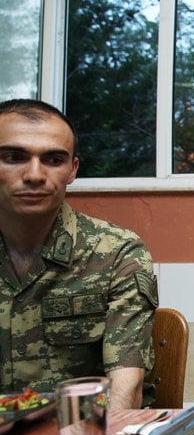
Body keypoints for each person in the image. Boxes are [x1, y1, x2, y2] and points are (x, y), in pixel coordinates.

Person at [0, 99, 157, 409]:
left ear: (72, 170)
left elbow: (125, 391)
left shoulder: (115, 253)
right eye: (14, 157)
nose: (35, 174)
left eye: (53, 160)